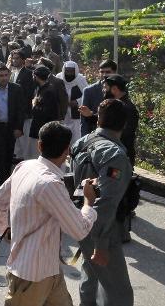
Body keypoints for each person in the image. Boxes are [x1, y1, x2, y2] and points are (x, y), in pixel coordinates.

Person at [0, 122, 98, 306]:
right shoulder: (50, 183)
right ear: (67, 150)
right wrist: (89, 202)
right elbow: (79, 230)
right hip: (32, 275)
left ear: (39, 145)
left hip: (48, 269)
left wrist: (5, 231)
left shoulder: (24, 166)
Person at [71, 99, 134, 306]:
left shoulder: (83, 142)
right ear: (124, 124)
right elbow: (106, 203)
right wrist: (101, 244)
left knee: (91, 276)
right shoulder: (114, 156)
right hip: (103, 230)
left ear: (98, 120)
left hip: (82, 221)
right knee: (119, 294)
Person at [0, 65, 25, 184]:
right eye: (1, 76)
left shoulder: (16, 88)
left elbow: (21, 109)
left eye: (6, 75)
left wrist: (19, 128)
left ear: (9, 75)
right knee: (0, 154)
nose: (4, 78)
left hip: (11, 127)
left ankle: (8, 178)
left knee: (9, 154)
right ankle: (2, 181)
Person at [10, 50, 37, 160]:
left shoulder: (28, 73)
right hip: (14, 111)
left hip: (24, 111)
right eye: (13, 58)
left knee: (25, 137)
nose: (14, 60)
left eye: (17, 58)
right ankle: (18, 156)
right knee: (17, 138)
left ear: (23, 60)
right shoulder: (12, 73)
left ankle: (27, 159)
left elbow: (29, 93)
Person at [79, 59, 117, 136]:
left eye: (108, 72)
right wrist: (85, 139)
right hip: (94, 135)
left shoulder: (119, 90)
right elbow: (84, 120)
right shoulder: (89, 91)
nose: (104, 75)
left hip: (115, 135)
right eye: (102, 72)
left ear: (114, 72)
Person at [57, 61, 88, 145]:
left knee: (76, 138)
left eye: (71, 71)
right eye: (67, 71)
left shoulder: (80, 79)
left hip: (76, 116)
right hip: (62, 115)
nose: (69, 73)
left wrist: (77, 102)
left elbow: (87, 95)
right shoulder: (59, 78)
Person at [30, 65, 61, 141]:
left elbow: (46, 112)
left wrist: (34, 105)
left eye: (33, 76)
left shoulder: (48, 91)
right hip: (43, 128)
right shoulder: (43, 89)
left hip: (46, 130)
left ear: (36, 77)